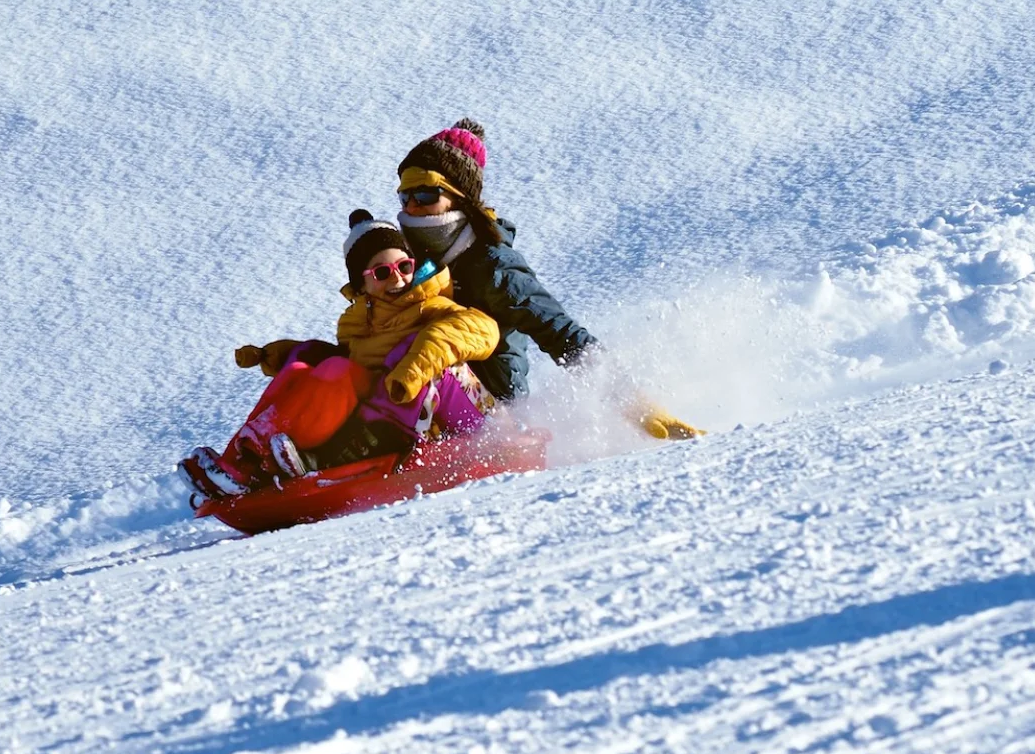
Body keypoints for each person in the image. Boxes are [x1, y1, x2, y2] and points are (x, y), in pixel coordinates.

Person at [392, 118, 703, 440]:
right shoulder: (406, 262)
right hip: (422, 405)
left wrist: (634, 402)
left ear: (459, 198)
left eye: (427, 194)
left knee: (427, 358)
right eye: (406, 197)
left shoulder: (491, 266)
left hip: (491, 411)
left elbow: (560, 333)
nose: (413, 207)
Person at [217, 211, 501, 489]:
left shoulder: (430, 303)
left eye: (404, 267)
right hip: (385, 426)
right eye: (382, 273)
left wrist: (418, 362)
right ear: (361, 285)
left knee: (409, 353)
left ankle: (330, 459)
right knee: (319, 367)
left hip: (471, 425)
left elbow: (485, 330)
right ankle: (244, 459)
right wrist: (285, 356)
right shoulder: (357, 326)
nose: (398, 279)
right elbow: (340, 365)